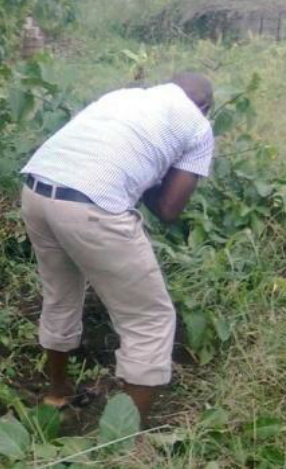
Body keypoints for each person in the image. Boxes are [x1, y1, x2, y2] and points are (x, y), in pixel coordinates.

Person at [20, 72, 215, 422]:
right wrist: (152, 174)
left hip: (37, 190)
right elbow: (170, 210)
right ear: (204, 106)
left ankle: (56, 394)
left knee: (60, 296)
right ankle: (125, 439)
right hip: (92, 205)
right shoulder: (199, 126)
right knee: (149, 319)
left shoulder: (122, 96)